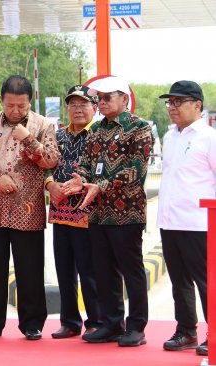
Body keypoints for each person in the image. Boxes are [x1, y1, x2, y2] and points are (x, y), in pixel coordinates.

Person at [62, 76, 153, 347]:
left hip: (127, 214)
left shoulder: (139, 128)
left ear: (124, 99)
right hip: (98, 214)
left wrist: (100, 186)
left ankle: (136, 327)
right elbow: (86, 164)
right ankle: (112, 324)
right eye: (98, 98)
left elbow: (136, 171)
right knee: (103, 271)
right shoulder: (96, 130)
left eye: (107, 97)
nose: (101, 103)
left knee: (131, 271)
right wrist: (80, 179)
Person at [0, 75, 59, 341]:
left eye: (21, 106)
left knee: (29, 269)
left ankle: (32, 323)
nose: (16, 111)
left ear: (30, 102)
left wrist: (29, 138)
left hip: (27, 211)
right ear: (1, 100)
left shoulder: (42, 125)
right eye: (10, 105)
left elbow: (50, 160)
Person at [157, 81, 212, 356]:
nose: (172, 108)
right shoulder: (170, 137)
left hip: (198, 222)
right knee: (179, 281)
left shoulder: (209, 137)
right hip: (170, 220)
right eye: (170, 102)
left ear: (197, 105)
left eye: (178, 102)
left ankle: (213, 332)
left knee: (206, 281)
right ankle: (186, 331)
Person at [45, 85, 102, 339]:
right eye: (73, 104)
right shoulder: (58, 137)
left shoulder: (100, 135)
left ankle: (96, 321)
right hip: (60, 212)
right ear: (66, 108)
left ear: (95, 108)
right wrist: (49, 185)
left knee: (90, 270)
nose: (78, 109)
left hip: (89, 213)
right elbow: (43, 165)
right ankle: (69, 321)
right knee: (64, 269)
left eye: (84, 104)